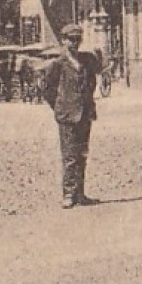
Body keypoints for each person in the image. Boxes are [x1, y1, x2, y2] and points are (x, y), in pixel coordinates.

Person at [42, 23, 101, 208]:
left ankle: (80, 193)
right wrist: (59, 106)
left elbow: (94, 78)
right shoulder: (58, 64)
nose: (75, 43)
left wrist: (89, 103)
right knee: (69, 155)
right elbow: (47, 89)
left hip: (84, 113)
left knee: (82, 154)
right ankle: (68, 194)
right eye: (71, 39)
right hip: (67, 115)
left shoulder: (86, 61)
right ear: (63, 40)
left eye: (78, 39)